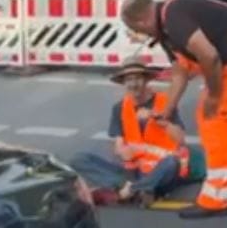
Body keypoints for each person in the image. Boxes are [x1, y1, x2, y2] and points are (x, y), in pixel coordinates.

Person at [121, 0, 227, 219]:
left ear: (142, 22)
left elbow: (209, 56)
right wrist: (167, 110)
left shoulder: (174, 20)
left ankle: (216, 200)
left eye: (138, 31)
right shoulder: (166, 24)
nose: (143, 36)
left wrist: (214, 95)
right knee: (223, 125)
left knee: (216, 123)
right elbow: (181, 71)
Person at [70, 59, 189, 205]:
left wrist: (159, 120)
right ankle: (134, 189)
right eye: (129, 79)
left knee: (172, 163)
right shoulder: (119, 108)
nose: (133, 84)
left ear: (146, 80)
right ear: (123, 83)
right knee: (79, 159)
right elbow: (118, 145)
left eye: (138, 78)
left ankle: (129, 191)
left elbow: (181, 139)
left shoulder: (165, 102)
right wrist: (122, 151)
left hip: (160, 171)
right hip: (132, 172)